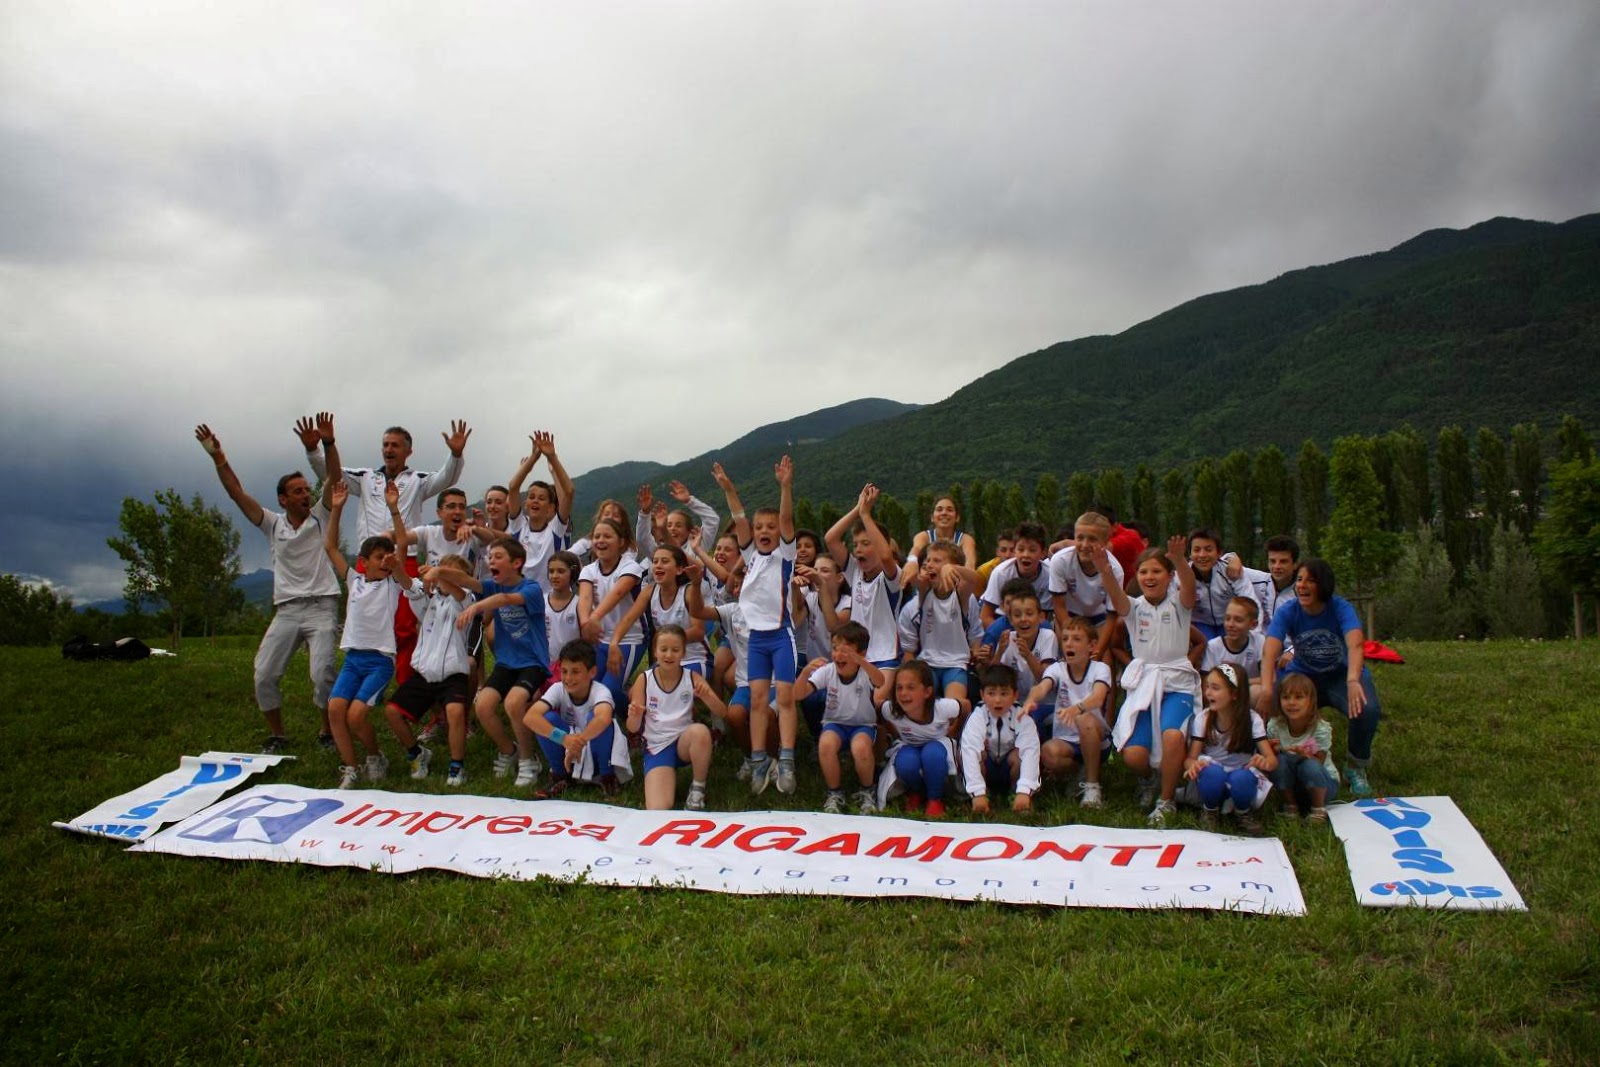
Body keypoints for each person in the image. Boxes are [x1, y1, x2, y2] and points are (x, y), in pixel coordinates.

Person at [195, 417, 341, 753]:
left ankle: (326, 732)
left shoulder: (321, 516)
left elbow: (334, 479)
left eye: (306, 489)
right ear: (283, 499)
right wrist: (218, 457)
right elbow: (236, 493)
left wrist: (328, 444)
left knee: (322, 672)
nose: (305, 495)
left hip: (322, 605)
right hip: (287, 610)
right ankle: (277, 735)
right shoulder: (272, 524)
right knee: (264, 673)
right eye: (297, 491)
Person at [306, 419, 470, 686]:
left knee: (404, 627)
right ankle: (370, 681)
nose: (389, 450)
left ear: (408, 451)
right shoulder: (365, 478)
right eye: (385, 445)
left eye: (395, 445)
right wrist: (321, 447)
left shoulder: (418, 481)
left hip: (404, 560)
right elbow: (332, 474)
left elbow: (447, 478)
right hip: (369, 562)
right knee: (369, 622)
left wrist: (455, 454)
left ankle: (404, 683)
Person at [1255, 557, 1382, 797]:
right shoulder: (1289, 611)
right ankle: (1273, 761)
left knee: (1367, 708)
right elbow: (1270, 650)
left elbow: (1355, 645)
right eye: (1299, 579)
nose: (1301, 585)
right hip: (1303, 675)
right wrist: (1267, 688)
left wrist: (1353, 680)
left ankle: (1355, 766)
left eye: (1310, 581)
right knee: (1267, 702)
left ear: (1323, 585)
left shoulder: (1340, 608)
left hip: (1340, 675)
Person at [715, 456, 801, 795]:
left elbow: (787, 518)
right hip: (756, 641)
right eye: (759, 527)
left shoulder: (786, 556)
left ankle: (788, 758)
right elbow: (738, 517)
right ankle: (759, 758)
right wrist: (729, 489)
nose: (764, 531)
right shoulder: (750, 556)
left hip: (781, 636)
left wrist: (785, 487)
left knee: (786, 698)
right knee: (757, 701)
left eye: (770, 527)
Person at [322, 479, 413, 789]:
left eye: (389, 557)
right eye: (379, 557)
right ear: (364, 562)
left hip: (379, 662)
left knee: (356, 716)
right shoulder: (354, 580)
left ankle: (375, 756)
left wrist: (393, 508)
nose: (386, 561)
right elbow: (330, 547)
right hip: (353, 659)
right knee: (336, 710)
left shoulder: (392, 584)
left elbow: (402, 544)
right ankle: (350, 767)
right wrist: (337, 509)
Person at [1109, 536, 1198, 826]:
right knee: (1134, 756)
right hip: (1146, 683)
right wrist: (1104, 568)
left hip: (1177, 684)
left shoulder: (1179, 605)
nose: (1149, 577)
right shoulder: (1134, 608)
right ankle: (1150, 779)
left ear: (1169, 576)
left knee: (1173, 736)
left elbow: (1190, 586)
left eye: (1157, 571)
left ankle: (1166, 800)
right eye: (1144, 571)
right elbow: (1116, 596)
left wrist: (1180, 560)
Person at [454, 537, 551, 787]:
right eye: (490, 557)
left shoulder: (531, 589)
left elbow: (506, 600)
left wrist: (476, 607)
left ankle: (529, 760)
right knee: (483, 706)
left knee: (514, 703)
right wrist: (438, 572)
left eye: (498, 557)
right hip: (506, 663)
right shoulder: (492, 586)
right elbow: (466, 580)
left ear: (516, 563)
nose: (491, 561)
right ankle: (509, 750)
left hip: (533, 663)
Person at [384, 553, 476, 785]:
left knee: (455, 712)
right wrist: (396, 568)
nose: (442, 574)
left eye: (450, 572)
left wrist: (439, 574)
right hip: (424, 673)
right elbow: (409, 585)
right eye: (442, 569)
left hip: (453, 674)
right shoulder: (429, 598)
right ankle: (416, 753)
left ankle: (457, 766)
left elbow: (459, 592)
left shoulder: (467, 598)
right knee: (392, 712)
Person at [627, 625, 726, 811]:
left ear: (683, 653)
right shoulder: (644, 679)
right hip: (657, 748)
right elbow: (632, 728)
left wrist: (708, 697)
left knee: (700, 732)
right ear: (655, 652)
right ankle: (664, 774)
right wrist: (634, 715)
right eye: (663, 649)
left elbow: (722, 712)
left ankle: (698, 788)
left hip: (684, 743)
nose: (669, 655)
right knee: (658, 809)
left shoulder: (692, 677)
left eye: (675, 650)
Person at [794, 622, 888, 815]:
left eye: (846, 651)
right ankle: (835, 792)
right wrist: (804, 673)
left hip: (862, 725)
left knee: (860, 748)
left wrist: (861, 661)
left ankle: (867, 790)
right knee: (825, 745)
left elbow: (880, 680)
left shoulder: (865, 672)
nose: (838, 655)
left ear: (861, 653)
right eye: (835, 649)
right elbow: (797, 694)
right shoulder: (828, 670)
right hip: (834, 724)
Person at [1023, 616, 1112, 808]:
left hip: (1097, 737)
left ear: (1091, 646)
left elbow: (1098, 697)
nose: (1069, 643)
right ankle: (1081, 773)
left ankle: (1093, 787)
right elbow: (1042, 687)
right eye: (1065, 639)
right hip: (1067, 740)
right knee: (1048, 753)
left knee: (1084, 719)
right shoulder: (1057, 668)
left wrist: (1076, 709)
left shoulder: (1100, 669)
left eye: (1076, 639)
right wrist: (1030, 700)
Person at [525, 639, 631, 798]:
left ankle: (607, 776)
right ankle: (560, 776)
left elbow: (603, 718)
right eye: (564, 671)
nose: (568, 678)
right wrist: (564, 739)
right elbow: (530, 717)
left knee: (597, 719)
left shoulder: (600, 691)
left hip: (595, 750)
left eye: (575, 672)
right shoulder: (558, 688)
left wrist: (577, 742)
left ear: (592, 672)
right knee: (547, 718)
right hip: (570, 752)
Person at [1183, 664, 1277, 834]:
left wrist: (1264, 763)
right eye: (1207, 686)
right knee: (1213, 773)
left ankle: (1242, 812)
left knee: (1242, 777)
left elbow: (1272, 760)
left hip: (1241, 777)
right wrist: (1193, 766)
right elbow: (1190, 758)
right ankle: (1210, 810)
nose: (1208, 693)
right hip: (1212, 779)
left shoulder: (1252, 719)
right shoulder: (1203, 718)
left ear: (1234, 694)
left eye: (1215, 688)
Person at [824, 483, 905, 668]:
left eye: (866, 543)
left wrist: (866, 516)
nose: (858, 549)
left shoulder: (891, 577)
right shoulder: (855, 572)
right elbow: (831, 539)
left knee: (880, 689)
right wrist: (859, 508)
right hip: (858, 655)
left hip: (886, 656)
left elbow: (886, 557)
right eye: (855, 544)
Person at [896, 539, 982, 704]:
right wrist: (912, 562)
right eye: (928, 560)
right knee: (920, 702)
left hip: (955, 663)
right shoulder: (925, 589)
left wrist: (953, 568)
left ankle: (961, 717)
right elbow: (913, 577)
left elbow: (975, 579)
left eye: (937, 560)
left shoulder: (961, 594)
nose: (929, 564)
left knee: (954, 705)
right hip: (927, 663)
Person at [877, 660, 964, 817]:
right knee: (906, 762)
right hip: (909, 745)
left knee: (932, 754)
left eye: (910, 687)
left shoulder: (943, 707)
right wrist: (893, 734)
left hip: (938, 745)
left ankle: (934, 798)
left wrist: (954, 732)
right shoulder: (890, 710)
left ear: (927, 692)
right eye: (899, 688)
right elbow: (879, 711)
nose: (903, 693)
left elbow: (966, 706)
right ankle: (916, 792)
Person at [578, 517, 646, 700]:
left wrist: (594, 617)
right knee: (587, 688)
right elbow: (584, 598)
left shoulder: (631, 567)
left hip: (630, 638)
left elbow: (618, 593)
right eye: (597, 536)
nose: (601, 540)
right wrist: (585, 623)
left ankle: (634, 707)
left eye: (607, 536)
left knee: (609, 691)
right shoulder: (588, 570)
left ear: (621, 542)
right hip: (600, 638)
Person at [960, 663, 1040, 814]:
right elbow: (969, 751)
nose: (997, 700)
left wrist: (1025, 791)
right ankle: (983, 795)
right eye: (991, 693)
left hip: (1008, 770)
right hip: (988, 768)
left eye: (1004, 694)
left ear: (1015, 695)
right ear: (982, 695)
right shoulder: (977, 716)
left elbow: (1031, 751)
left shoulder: (1023, 718)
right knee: (972, 753)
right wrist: (977, 793)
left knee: (1019, 755)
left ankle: (1015, 794)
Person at [503, 431, 576, 592]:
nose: (535, 500)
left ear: (551, 507)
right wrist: (534, 457)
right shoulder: (519, 526)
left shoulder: (555, 529)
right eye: (531, 497)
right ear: (526, 504)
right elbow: (513, 487)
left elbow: (569, 492)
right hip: (523, 597)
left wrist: (552, 458)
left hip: (551, 600)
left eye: (541, 498)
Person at [1046, 512, 1126, 657]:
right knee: (1071, 656)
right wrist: (1072, 638)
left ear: (1105, 542)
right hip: (1069, 616)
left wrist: (1098, 651)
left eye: (1092, 539)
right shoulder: (1061, 560)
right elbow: (1059, 606)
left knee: (1103, 660)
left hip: (1099, 617)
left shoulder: (1114, 570)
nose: (1084, 545)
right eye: (1080, 538)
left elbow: (1112, 615)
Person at [1267, 672, 1339, 822]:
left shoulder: (1321, 728)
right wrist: (1273, 750)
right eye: (1286, 697)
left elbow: (1319, 762)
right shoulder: (1275, 725)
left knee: (1309, 765)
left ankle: (1318, 809)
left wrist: (1304, 756)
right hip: (1293, 785)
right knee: (1278, 761)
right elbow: (1270, 757)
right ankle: (1290, 806)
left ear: (1311, 701)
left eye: (1298, 697)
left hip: (1323, 784)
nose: (1291, 702)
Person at [979, 521, 1052, 628]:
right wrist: (1006, 636)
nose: (1026, 555)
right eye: (1020, 549)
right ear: (1015, 551)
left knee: (1046, 627)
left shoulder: (1049, 576)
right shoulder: (1001, 573)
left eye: (1032, 550)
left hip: (1030, 619)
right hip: (1000, 616)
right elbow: (985, 616)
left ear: (1043, 552)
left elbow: (1043, 617)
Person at [1186, 528, 1253, 642]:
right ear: (1190, 554)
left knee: (1232, 645)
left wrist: (1253, 637)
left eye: (1208, 549)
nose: (1202, 555)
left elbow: (1250, 601)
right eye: (1197, 550)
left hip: (1228, 622)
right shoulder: (1183, 576)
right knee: (1206, 647)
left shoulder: (1231, 571)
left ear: (1219, 553)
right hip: (1200, 623)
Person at [901, 495, 979, 587]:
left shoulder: (965, 539)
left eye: (949, 510)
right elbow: (916, 549)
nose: (944, 513)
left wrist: (954, 570)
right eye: (939, 509)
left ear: (957, 517)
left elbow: (970, 564)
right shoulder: (923, 536)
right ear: (932, 517)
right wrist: (912, 561)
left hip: (955, 586)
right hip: (928, 587)